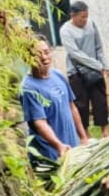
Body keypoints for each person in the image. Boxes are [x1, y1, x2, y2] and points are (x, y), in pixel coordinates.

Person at [20, 37, 88, 167]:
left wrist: (83, 137)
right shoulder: (28, 88)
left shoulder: (58, 75)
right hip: (50, 157)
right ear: (26, 58)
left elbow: (72, 107)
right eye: (38, 55)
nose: (44, 58)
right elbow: (39, 122)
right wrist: (58, 145)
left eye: (46, 52)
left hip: (71, 149)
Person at [58, 1, 109, 139]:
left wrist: (105, 65)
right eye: (82, 17)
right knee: (81, 104)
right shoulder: (65, 31)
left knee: (100, 101)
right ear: (73, 15)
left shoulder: (91, 25)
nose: (85, 20)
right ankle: (85, 136)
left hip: (95, 71)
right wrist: (98, 66)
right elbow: (76, 54)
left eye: (86, 16)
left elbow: (98, 47)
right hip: (77, 72)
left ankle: (105, 131)